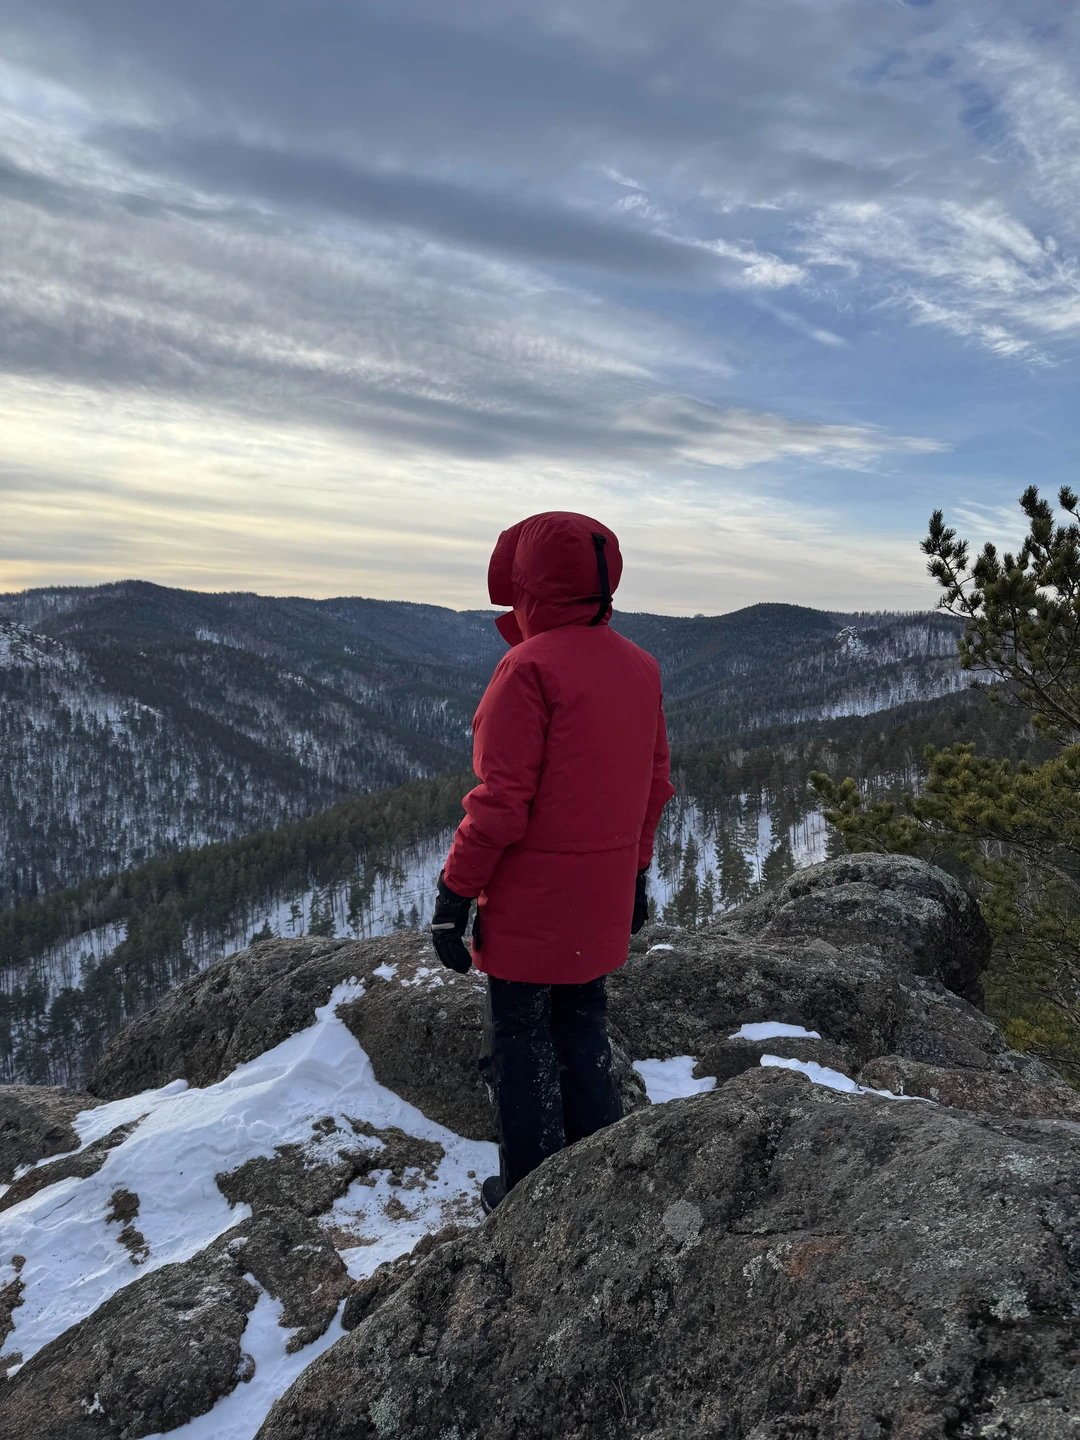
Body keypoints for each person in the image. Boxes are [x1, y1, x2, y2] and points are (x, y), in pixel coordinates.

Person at [429, 511, 674, 1213]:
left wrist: (455, 895)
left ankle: (529, 1193)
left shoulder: (527, 667)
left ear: (529, 581)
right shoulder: (641, 667)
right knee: (582, 1022)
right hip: (599, 891)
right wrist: (632, 874)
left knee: (519, 1040)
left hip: (532, 898)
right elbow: (654, 786)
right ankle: (597, 1170)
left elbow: (501, 802)